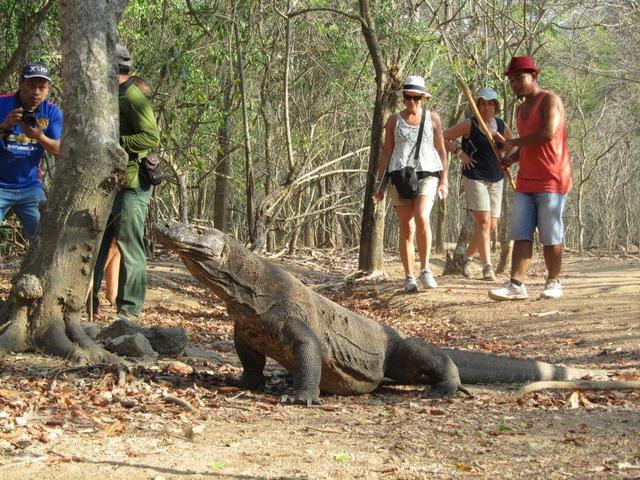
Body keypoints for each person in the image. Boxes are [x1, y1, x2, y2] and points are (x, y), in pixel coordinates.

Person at [489, 56, 572, 301]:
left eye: (519, 78)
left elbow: (547, 133)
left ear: (534, 76)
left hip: (552, 177)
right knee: (521, 231)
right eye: (512, 79)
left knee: (550, 233)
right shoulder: (520, 108)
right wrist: (510, 158)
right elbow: (527, 147)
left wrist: (512, 142)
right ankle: (516, 284)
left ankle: (553, 281)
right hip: (526, 179)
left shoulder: (550, 100)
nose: (515, 83)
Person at [92, 44, 160, 318]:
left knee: (129, 244)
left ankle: (130, 309)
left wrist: (116, 142)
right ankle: (88, 304)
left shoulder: (133, 96)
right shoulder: (112, 95)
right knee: (98, 244)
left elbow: (151, 137)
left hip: (133, 185)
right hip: (111, 183)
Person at [374, 75, 448, 292]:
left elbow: (441, 151)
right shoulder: (393, 121)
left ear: (423, 98)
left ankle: (426, 269)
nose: (412, 102)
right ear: (403, 98)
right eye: (408, 97)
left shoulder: (433, 119)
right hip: (401, 177)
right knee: (406, 227)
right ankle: (409, 277)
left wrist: (444, 181)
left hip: (427, 175)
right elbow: (387, 152)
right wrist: (379, 183)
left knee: (422, 216)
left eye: (416, 97)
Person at [443, 87, 514, 281]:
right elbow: (443, 136)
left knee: (490, 225)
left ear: (496, 106)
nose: (486, 107)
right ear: (477, 105)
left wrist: (506, 157)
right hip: (474, 176)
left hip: (496, 177)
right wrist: (460, 153)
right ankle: (487, 267)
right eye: (482, 103)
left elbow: (511, 145)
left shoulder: (500, 125)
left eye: (490, 104)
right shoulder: (469, 124)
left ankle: (465, 259)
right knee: (482, 221)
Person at [0, 62, 62, 239]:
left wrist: (39, 137)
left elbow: (61, 150)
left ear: (48, 89)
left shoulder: (52, 112)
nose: (36, 92)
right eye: (31, 86)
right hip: (1, 184)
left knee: (45, 238)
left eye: (42, 87)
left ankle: (35, 268)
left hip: (29, 186)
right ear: (21, 83)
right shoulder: (3, 104)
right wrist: (5, 126)